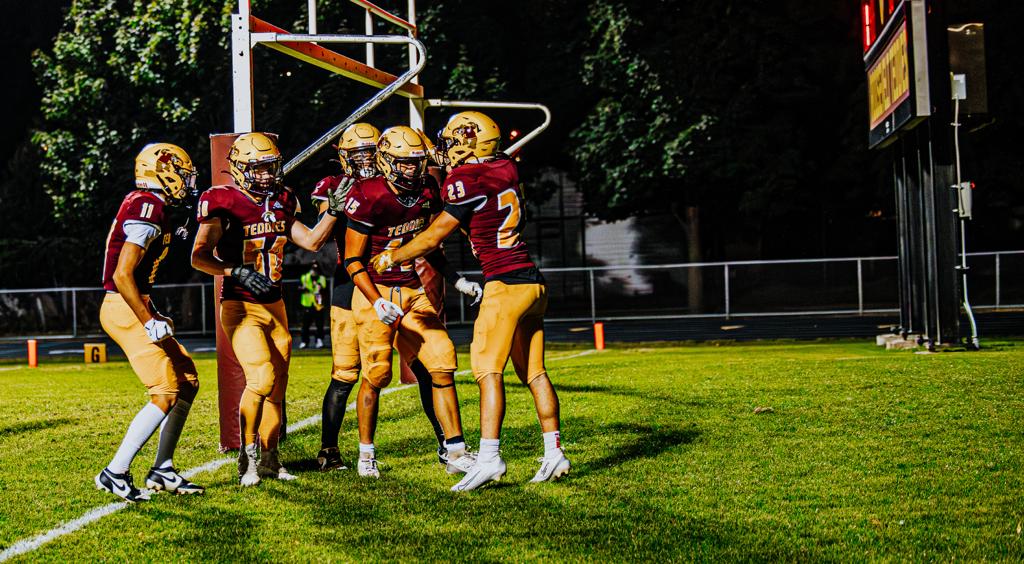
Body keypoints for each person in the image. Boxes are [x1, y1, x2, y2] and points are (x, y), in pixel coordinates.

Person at [370, 111, 570, 492]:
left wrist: (392, 257)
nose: (445, 149)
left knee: (487, 372)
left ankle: (490, 457)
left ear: (467, 141)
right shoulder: (505, 167)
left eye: (451, 141)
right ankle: (553, 450)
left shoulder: (466, 179)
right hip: (532, 281)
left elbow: (432, 238)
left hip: (505, 284)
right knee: (535, 372)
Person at [311, 123, 474, 472]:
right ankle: (331, 448)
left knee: (430, 366)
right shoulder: (338, 187)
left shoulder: (417, 188)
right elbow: (316, 241)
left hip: (402, 283)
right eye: (358, 154)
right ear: (343, 158)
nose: (365, 160)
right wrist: (333, 210)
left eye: (370, 152)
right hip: (353, 283)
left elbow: (428, 240)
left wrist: (456, 278)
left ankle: (450, 446)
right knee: (348, 373)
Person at [191, 132, 346, 487]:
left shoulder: (282, 199)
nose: (266, 175)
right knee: (260, 377)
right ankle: (248, 456)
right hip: (239, 303)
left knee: (277, 387)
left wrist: (333, 213)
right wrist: (236, 269)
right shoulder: (222, 200)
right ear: (240, 169)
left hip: (275, 304)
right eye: (258, 168)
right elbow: (198, 257)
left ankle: (271, 459)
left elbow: (310, 240)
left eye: (270, 168)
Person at [95, 143, 204, 502]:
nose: (189, 182)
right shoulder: (148, 205)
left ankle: (163, 469)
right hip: (123, 305)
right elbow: (123, 274)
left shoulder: (161, 208)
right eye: (184, 175)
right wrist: (148, 320)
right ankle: (115, 472)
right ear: (165, 172)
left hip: (136, 303)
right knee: (165, 390)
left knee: (187, 378)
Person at [298, 262, 326, 349]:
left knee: (319, 324)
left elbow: (322, 288)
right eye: (313, 269)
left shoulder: (321, 278)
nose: (314, 272)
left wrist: (318, 287)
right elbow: (299, 288)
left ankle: (319, 340)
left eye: (316, 270)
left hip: (318, 305)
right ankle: (304, 341)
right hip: (307, 304)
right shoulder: (304, 278)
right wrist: (302, 288)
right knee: (305, 325)